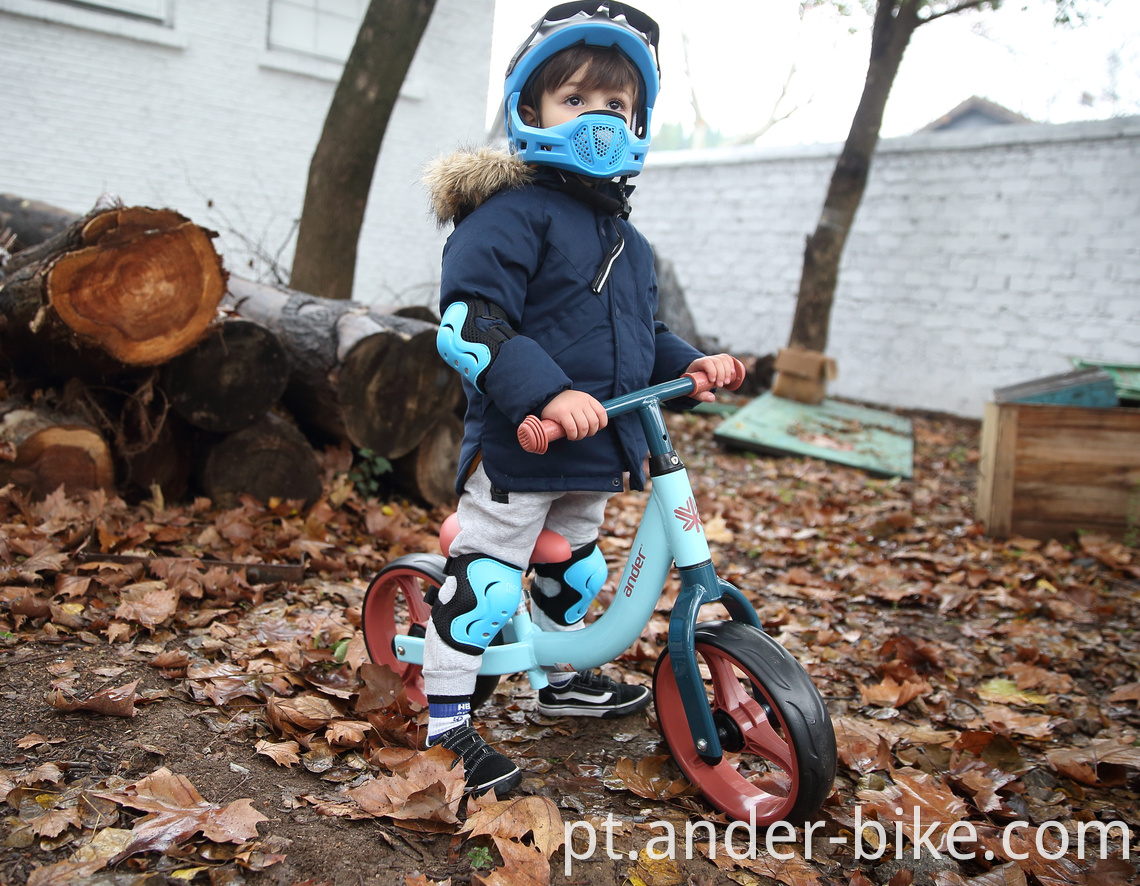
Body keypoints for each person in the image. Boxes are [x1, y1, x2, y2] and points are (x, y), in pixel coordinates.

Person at [420, 1, 743, 797]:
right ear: (531, 109)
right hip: (522, 443)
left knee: (576, 572)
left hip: (598, 448)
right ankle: (446, 726)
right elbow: (471, 324)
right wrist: (549, 390)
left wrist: (691, 362)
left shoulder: (630, 244)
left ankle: (563, 680)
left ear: (638, 124)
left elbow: (639, 336)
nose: (598, 119)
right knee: (490, 582)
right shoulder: (509, 215)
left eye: (617, 106)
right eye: (576, 99)